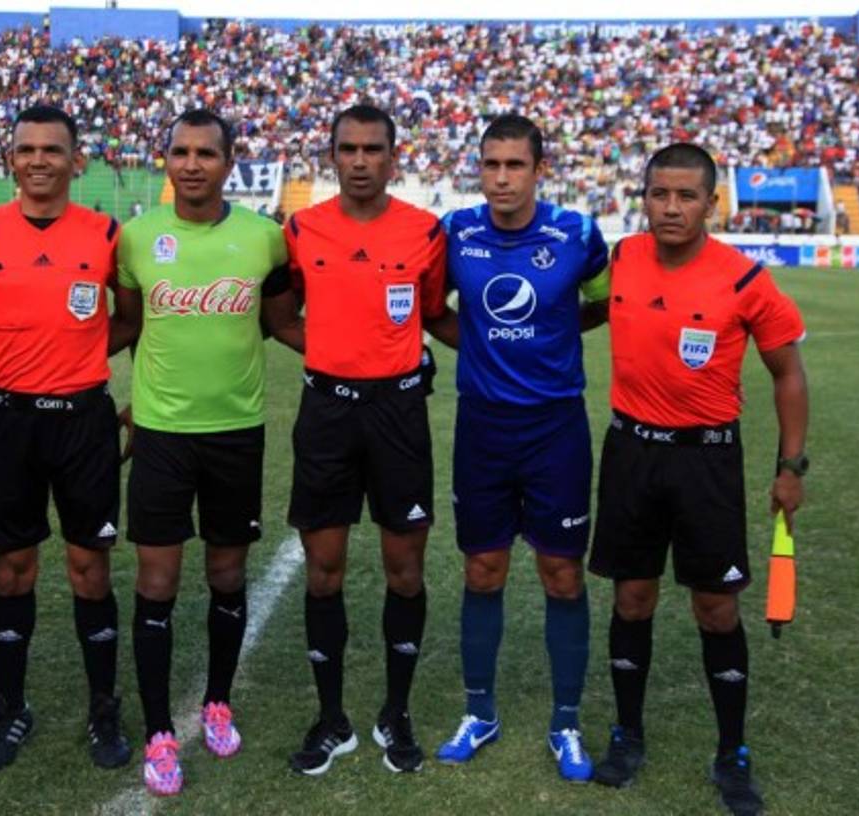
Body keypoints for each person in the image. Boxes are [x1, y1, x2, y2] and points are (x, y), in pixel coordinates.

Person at [588, 143, 809, 816]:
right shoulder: (621, 258)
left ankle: (732, 751)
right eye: (660, 194)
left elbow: (789, 375)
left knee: (715, 607)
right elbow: (575, 311)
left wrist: (790, 467)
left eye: (687, 196)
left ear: (711, 203)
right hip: (630, 451)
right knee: (632, 600)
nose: (671, 207)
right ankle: (627, 735)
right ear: (644, 197)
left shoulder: (745, 280)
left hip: (706, 460)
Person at [0, 104, 134, 774]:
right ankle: (11, 706)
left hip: (83, 422)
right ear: (10, 158)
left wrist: (83, 359)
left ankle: (103, 708)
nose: (38, 161)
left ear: (75, 159)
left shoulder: (109, 233)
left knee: (90, 569)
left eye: (53, 150)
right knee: (13, 568)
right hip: (6, 422)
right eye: (26, 149)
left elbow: (135, 317)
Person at [113, 109, 294, 796]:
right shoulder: (135, 239)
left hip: (236, 432)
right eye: (180, 152)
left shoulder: (265, 241)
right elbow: (128, 323)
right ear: (166, 159)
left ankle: (218, 701)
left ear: (230, 161)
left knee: (226, 572)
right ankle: (161, 730)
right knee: (157, 581)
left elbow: (280, 322)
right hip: (160, 435)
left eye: (206, 154)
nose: (192, 165)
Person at [431, 114, 609, 782]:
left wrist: (550, 341)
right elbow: (432, 308)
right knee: (483, 569)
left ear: (540, 169)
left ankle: (566, 722)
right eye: (490, 165)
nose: (501, 177)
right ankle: (481, 712)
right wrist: (478, 347)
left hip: (555, 427)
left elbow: (601, 302)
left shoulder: (579, 235)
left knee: (562, 572)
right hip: (482, 425)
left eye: (514, 165)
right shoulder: (457, 233)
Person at [279, 104, 451, 776]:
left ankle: (396, 713)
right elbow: (278, 312)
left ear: (393, 157)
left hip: (399, 416)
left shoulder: (425, 232)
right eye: (347, 148)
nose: (358, 161)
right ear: (331, 155)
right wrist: (327, 352)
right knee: (324, 570)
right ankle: (331, 719)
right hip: (327, 414)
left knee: (404, 569)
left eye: (372, 149)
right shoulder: (301, 229)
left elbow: (434, 312)